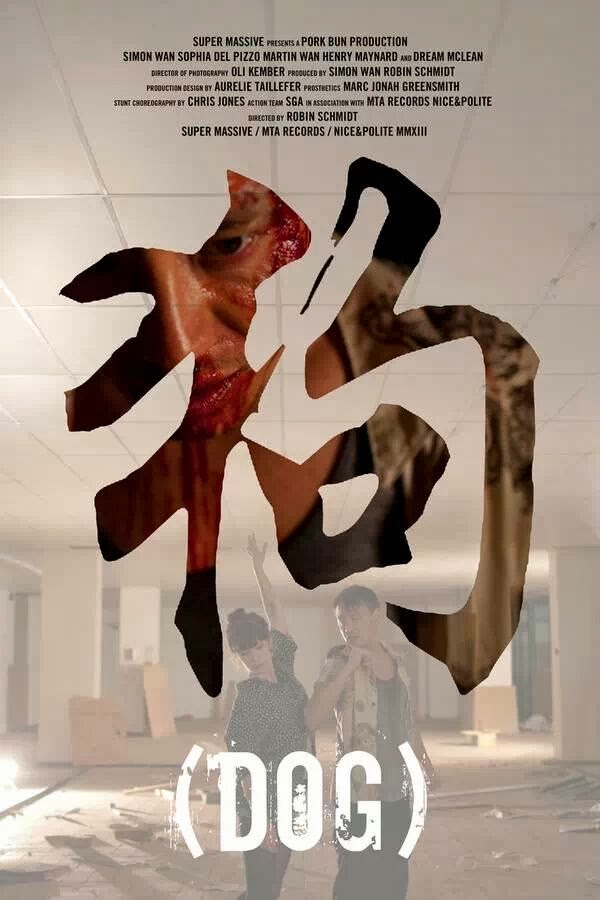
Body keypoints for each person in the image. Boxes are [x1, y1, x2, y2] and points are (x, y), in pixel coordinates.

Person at [62, 158, 538, 699]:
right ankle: (403, 230)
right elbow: (200, 482)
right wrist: (199, 592)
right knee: (311, 536)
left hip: (324, 432)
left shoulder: (215, 337)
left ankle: (403, 230)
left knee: (333, 382)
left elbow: (200, 478)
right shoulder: (212, 358)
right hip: (316, 434)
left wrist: (200, 592)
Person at [305, 584, 435, 900]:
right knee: (354, 879)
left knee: (394, 876)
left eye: (355, 618)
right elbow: (312, 718)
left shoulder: (398, 663)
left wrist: (425, 765)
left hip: (396, 789)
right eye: (341, 621)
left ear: (375, 616)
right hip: (356, 791)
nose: (347, 627)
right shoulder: (338, 661)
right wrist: (350, 665)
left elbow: (408, 723)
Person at [224, 534, 312, 900]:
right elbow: (242, 765)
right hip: (260, 801)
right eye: (246, 654)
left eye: (259, 647)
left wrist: (257, 566)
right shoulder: (247, 698)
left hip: (294, 791)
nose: (255, 658)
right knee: (262, 890)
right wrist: (262, 822)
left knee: (273, 887)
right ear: (239, 656)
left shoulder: (285, 668)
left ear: (269, 643)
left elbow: (274, 609)